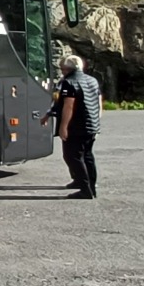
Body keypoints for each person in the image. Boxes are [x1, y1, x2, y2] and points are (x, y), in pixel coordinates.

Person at [40, 54, 100, 198]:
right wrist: (96, 121)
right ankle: (88, 185)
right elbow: (98, 102)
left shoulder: (69, 82)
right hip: (91, 123)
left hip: (76, 125)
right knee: (87, 155)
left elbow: (68, 106)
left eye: (62, 69)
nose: (61, 71)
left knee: (72, 156)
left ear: (67, 69)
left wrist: (63, 127)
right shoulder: (92, 80)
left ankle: (85, 189)